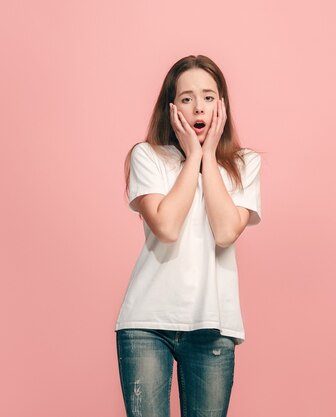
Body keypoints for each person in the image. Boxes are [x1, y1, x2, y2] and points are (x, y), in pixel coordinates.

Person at [115, 54, 262, 417]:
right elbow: (166, 227)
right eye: (187, 98)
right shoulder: (147, 156)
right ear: (171, 107)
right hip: (147, 325)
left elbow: (226, 232)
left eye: (209, 97)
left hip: (213, 324)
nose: (199, 107)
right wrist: (193, 156)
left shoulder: (245, 164)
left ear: (222, 105)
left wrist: (208, 156)